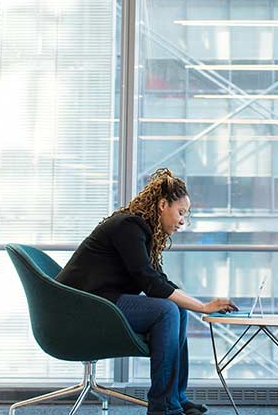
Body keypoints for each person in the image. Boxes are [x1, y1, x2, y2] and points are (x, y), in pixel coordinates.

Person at [57, 168, 237, 415]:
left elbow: (158, 281)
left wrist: (196, 304)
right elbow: (150, 283)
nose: (183, 220)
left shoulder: (142, 231)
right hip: (81, 306)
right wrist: (204, 307)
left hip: (102, 301)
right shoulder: (129, 226)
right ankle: (162, 407)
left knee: (178, 310)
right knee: (166, 311)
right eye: (180, 212)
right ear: (163, 205)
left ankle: (176, 397)